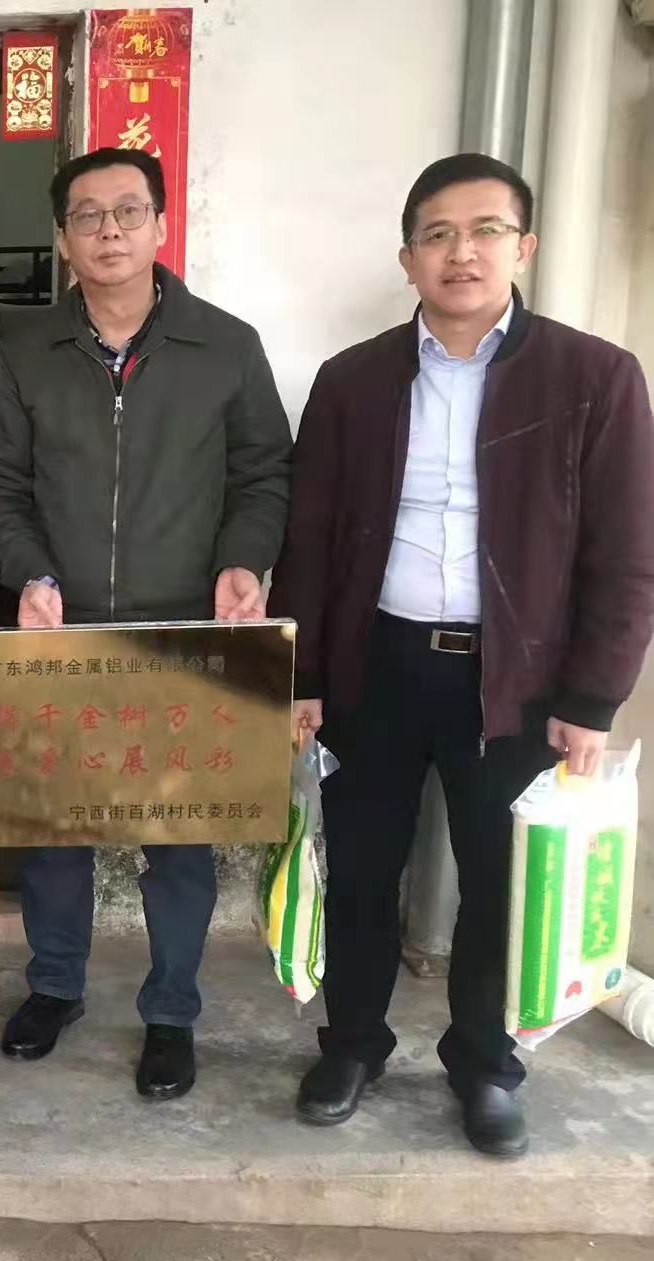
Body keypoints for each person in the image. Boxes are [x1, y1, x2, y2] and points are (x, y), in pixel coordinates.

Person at [270, 153, 654, 1158]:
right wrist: (303, 678)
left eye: (485, 230)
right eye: (436, 234)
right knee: (360, 870)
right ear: (406, 258)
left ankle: (484, 1063)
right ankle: (352, 1044)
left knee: (498, 880)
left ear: (523, 247)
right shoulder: (352, 380)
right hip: (375, 665)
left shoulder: (594, 377)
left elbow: (626, 554)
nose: (461, 252)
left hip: (519, 681)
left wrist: (592, 696)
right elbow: (307, 538)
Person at [0, 149, 291, 1098]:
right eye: (87, 215)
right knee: (52, 834)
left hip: (182, 632)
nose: (109, 230)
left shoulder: (225, 346)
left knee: (179, 844)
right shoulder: (25, 352)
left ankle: (172, 1011)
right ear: (63, 240)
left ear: (160, 225)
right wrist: (28, 571)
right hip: (61, 632)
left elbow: (264, 473)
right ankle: (55, 987)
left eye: (127, 211)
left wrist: (243, 560)